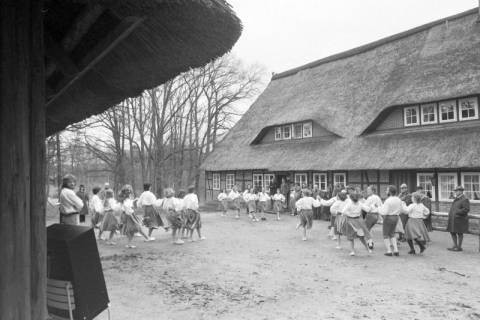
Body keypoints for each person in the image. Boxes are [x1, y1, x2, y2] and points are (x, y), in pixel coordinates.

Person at [342, 192, 373, 256]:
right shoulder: (360, 204)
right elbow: (367, 209)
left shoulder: (349, 204)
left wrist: (349, 214)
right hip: (359, 221)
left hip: (351, 220)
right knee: (361, 237)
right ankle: (368, 249)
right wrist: (371, 207)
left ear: (351, 198)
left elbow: (343, 211)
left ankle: (352, 251)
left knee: (351, 237)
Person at [379, 185, 403, 256]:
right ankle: (396, 250)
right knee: (392, 234)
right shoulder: (399, 199)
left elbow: (384, 212)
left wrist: (378, 208)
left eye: (387, 190)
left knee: (385, 235)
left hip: (388, 217)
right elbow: (401, 209)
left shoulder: (388, 200)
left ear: (389, 192)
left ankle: (389, 251)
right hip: (396, 217)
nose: (386, 191)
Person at [447, 186, 470, 252]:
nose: (456, 192)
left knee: (460, 233)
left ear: (461, 191)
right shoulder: (456, 198)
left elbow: (466, 209)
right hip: (453, 219)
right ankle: (455, 245)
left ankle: (459, 247)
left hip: (460, 219)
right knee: (452, 232)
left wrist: (456, 212)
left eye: (457, 191)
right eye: (455, 191)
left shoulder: (465, 199)